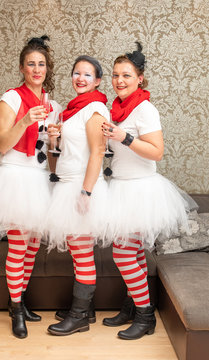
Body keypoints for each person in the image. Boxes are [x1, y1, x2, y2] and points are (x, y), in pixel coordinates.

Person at [0, 36, 62, 339]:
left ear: (47, 68)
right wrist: (25, 120)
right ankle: (16, 309)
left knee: (31, 247)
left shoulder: (53, 105)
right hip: (14, 177)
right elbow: (3, 144)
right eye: (30, 64)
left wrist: (56, 139)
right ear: (22, 67)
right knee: (18, 245)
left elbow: (52, 154)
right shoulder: (11, 99)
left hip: (39, 177)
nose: (36, 69)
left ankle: (17, 300)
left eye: (41, 64)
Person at [102, 42, 196, 340]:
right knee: (137, 253)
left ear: (139, 78)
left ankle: (145, 316)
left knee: (122, 253)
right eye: (116, 75)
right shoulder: (116, 108)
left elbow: (156, 152)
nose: (119, 80)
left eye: (126, 75)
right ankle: (133, 305)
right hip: (120, 186)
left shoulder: (145, 108)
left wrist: (124, 137)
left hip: (141, 191)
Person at [46, 55, 110, 336]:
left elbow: (97, 153)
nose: (80, 79)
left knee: (82, 252)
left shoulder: (95, 108)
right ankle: (86, 308)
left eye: (87, 74)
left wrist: (86, 192)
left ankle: (79, 316)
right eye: (76, 73)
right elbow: (69, 151)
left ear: (97, 81)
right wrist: (54, 140)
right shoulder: (73, 110)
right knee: (78, 249)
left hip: (81, 186)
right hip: (67, 182)